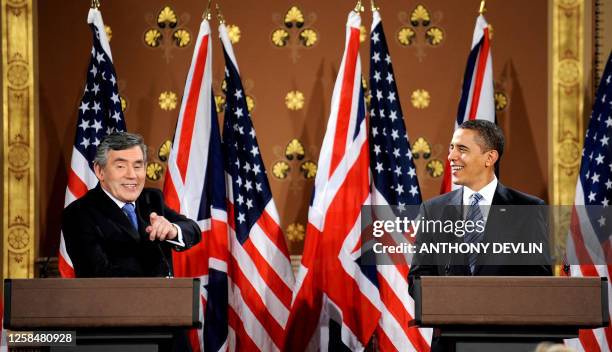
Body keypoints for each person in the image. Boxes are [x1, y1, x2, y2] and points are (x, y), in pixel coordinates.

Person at [408, 120, 553, 351]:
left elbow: (539, 279)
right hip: (450, 342)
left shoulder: (527, 209)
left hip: (508, 342)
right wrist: (453, 305)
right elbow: (417, 278)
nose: (451, 157)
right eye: (451, 148)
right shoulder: (433, 210)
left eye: (461, 149)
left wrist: (487, 305)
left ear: (490, 158)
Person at [62, 132, 201, 278]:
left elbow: (193, 229)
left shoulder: (151, 199)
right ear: (100, 170)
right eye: (121, 166)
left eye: (137, 166)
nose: (132, 175)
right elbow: (98, 273)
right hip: (116, 300)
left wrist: (172, 230)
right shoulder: (78, 213)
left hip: (165, 298)